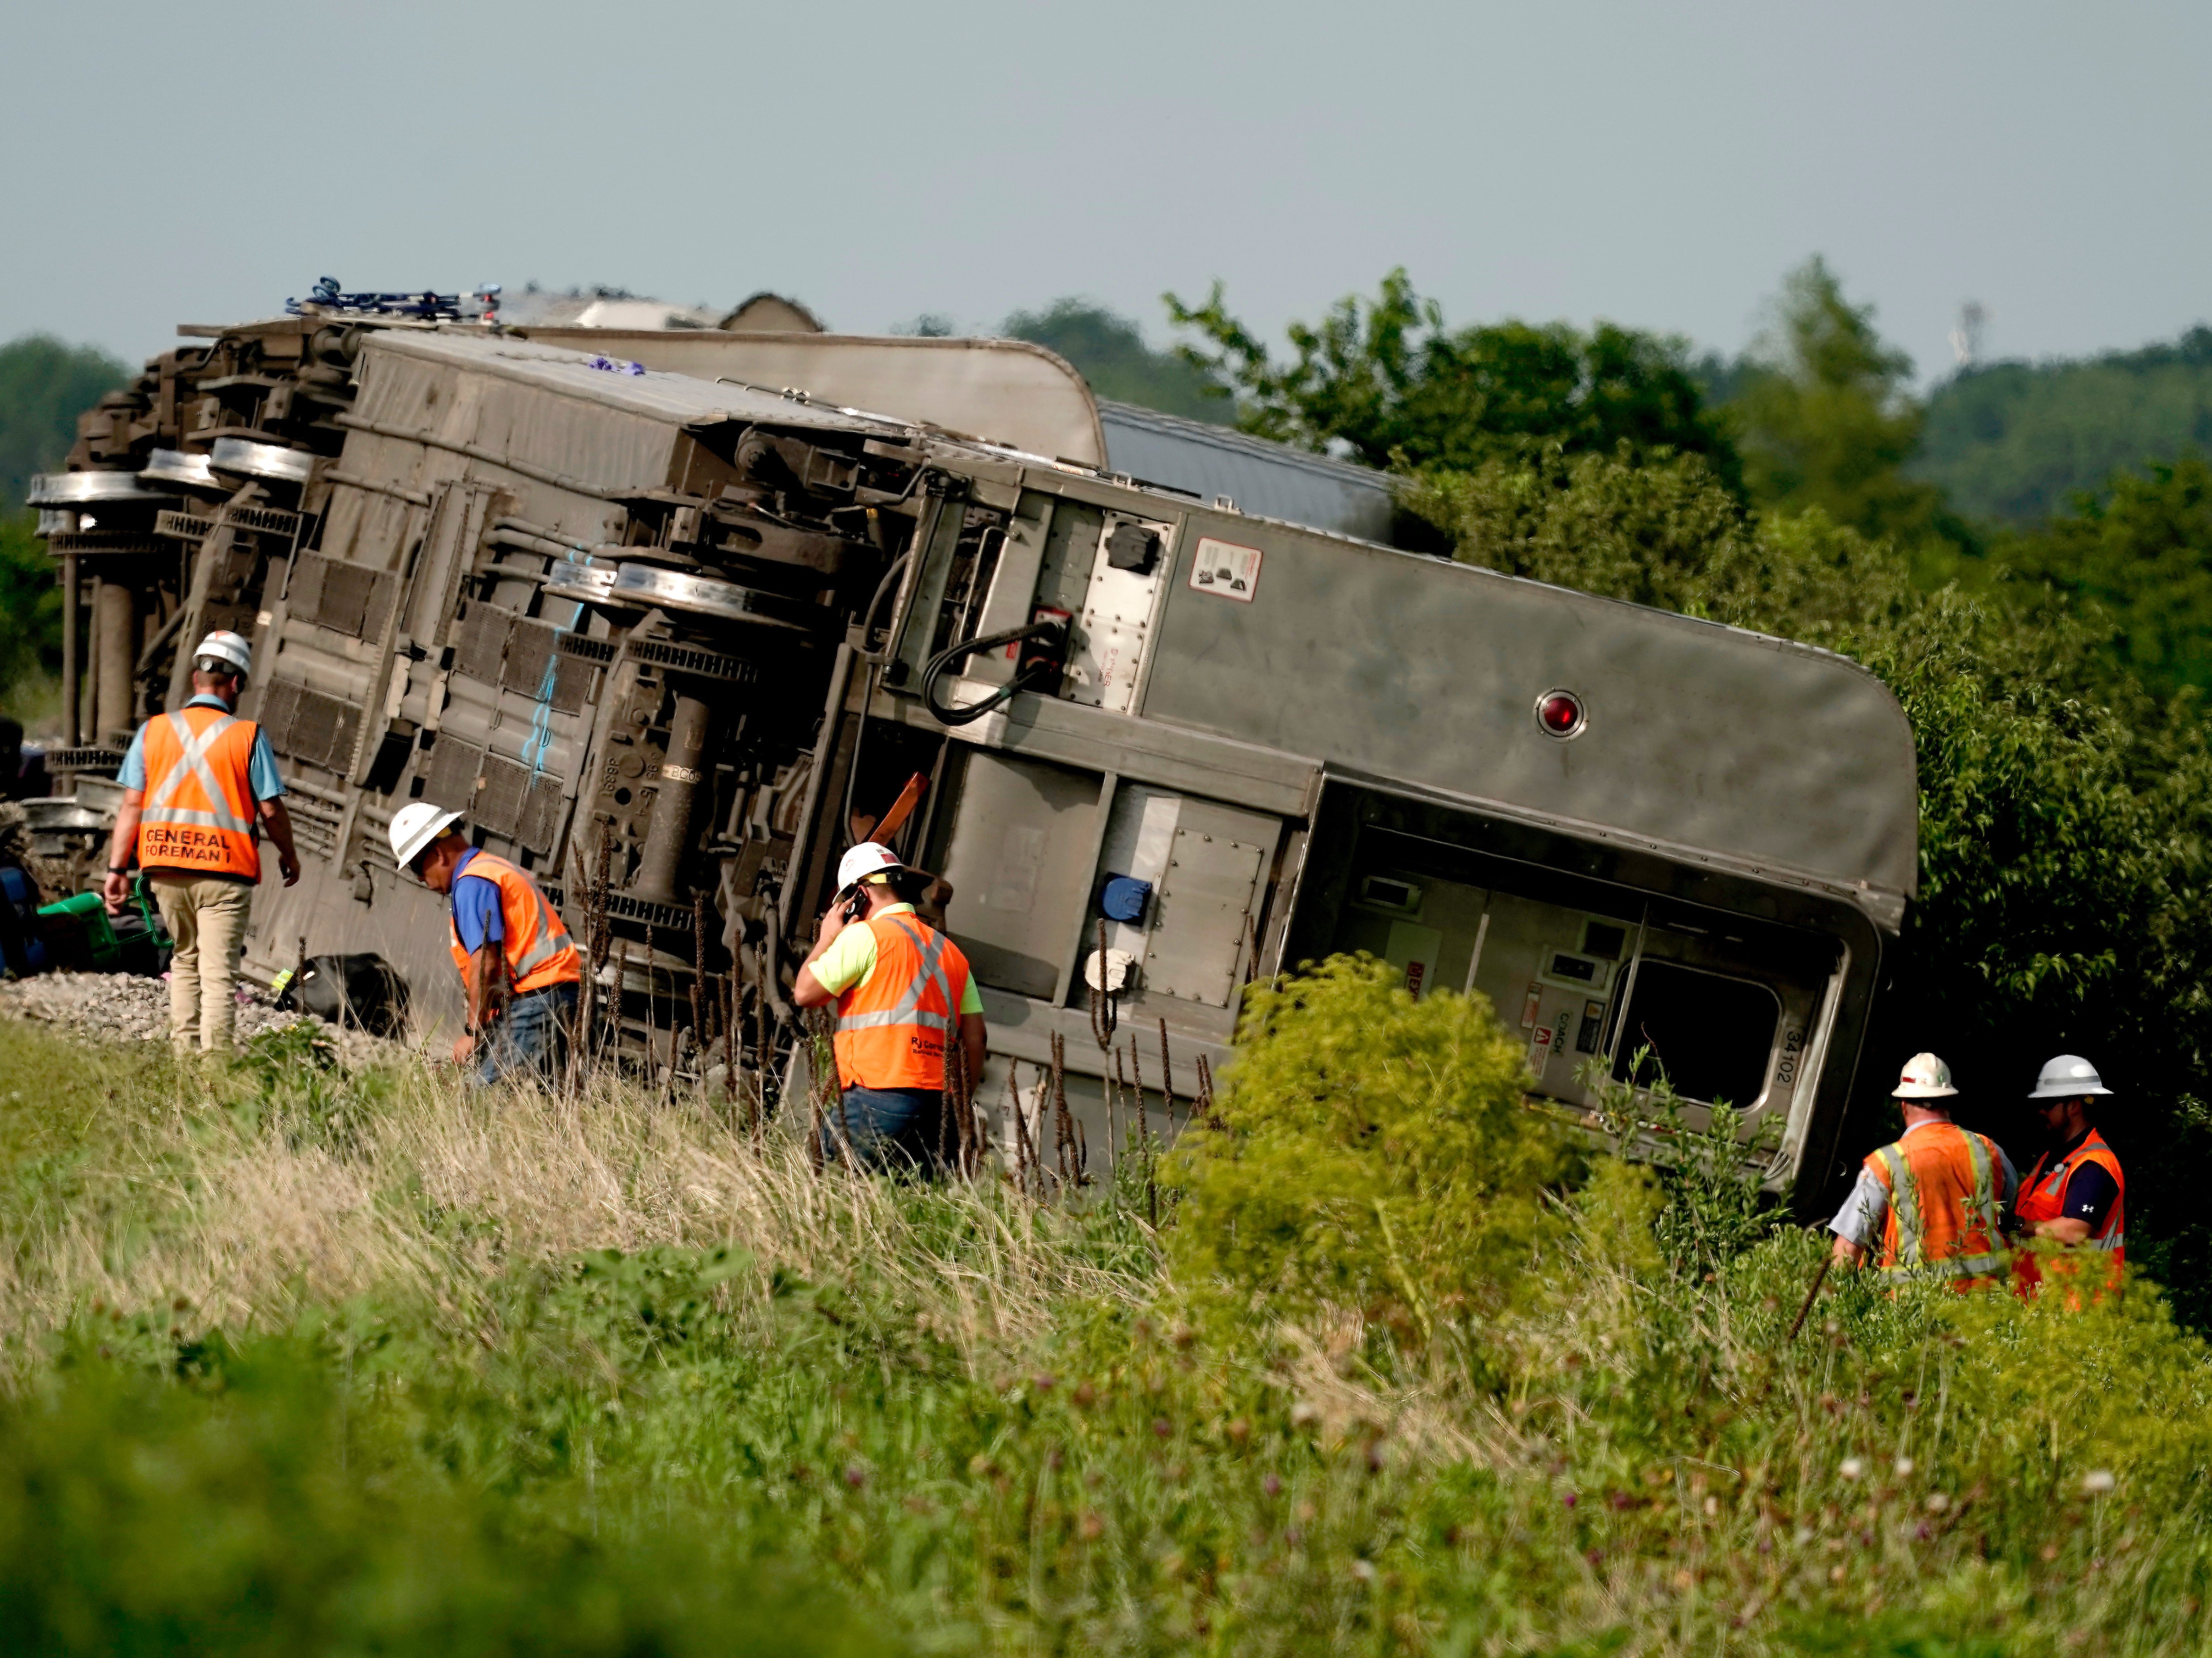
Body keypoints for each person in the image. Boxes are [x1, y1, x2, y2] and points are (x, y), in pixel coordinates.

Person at [100, 632, 300, 1053]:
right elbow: (270, 810)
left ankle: (184, 1063)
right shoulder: (247, 736)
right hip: (225, 875)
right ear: (237, 684)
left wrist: (117, 870)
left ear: (195, 679)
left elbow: (132, 807)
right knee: (219, 974)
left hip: (166, 871)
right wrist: (289, 855)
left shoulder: (153, 731)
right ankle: (215, 1074)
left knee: (185, 962)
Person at [791, 841, 987, 1174]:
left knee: (825, 1188)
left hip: (876, 1095)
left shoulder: (865, 937)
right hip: (938, 1107)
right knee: (903, 1214)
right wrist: (959, 1105)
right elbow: (976, 1039)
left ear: (859, 897)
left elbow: (804, 993)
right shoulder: (953, 954)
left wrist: (827, 938)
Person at [387, 801, 581, 1086]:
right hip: (556, 995)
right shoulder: (492, 868)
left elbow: (487, 966)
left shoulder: (472, 883)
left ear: (438, 855)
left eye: (418, 869)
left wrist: (473, 1031)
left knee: (483, 1099)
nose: (422, 881)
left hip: (539, 1000)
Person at [1829, 1051, 2017, 1291]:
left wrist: (1829, 1307)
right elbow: (2007, 1209)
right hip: (1986, 1304)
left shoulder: (1886, 1162)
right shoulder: (1987, 1149)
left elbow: (1848, 1246)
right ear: (1948, 1101)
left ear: (1904, 1105)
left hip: (1915, 1308)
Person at [2010, 1054, 2125, 1303]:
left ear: (2073, 1106)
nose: (2041, 1111)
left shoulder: (2094, 1165)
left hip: (2078, 1311)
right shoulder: (2051, 1159)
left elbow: (2076, 1230)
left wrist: (2021, 1226)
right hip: (2042, 1308)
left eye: (2049, 1103)